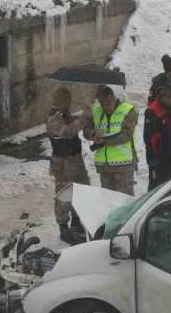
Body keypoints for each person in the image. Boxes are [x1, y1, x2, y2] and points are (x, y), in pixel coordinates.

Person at [45, 87, 90, 242]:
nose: (69, 102)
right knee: (64, 195)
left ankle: (77, 222)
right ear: (60, 101)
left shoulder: (66, 114)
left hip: (76, 160)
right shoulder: (53, 118)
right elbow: (68, 132)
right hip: (63, 163)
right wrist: (83, 118)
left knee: (81, 190)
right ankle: (63, 227)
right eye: (67, 99)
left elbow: (76, 128)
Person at [84, 85, 138, 195]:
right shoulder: (96, 111)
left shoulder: (128, 110)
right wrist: (93, 134)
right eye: (103, 103)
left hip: (123, 167)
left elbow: (126, 135)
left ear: (114, 98)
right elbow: (86, 131)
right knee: (108, 201)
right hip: (104, 167)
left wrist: (105, 141)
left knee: (125, 202)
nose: (106, 106)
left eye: (109, 103)